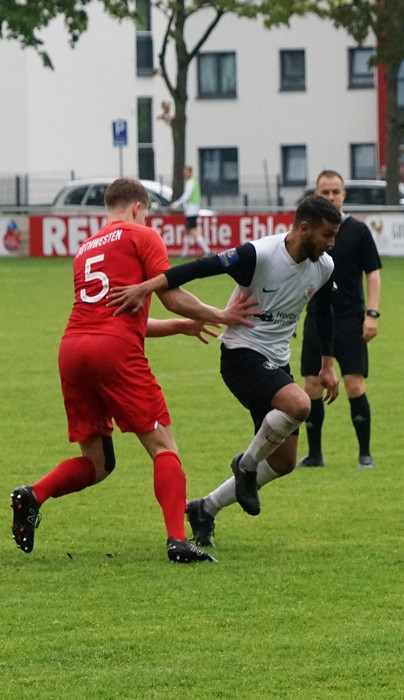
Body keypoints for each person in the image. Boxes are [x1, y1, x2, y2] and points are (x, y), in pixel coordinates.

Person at [10, 177, 256, 563]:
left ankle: (33, 494)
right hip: (113, 351)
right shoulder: (142, 235)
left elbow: (122, 317)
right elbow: (172, 297)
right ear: (138, 207)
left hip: (72, 349)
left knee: (97, 463)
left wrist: (181, 327)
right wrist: (220, 314)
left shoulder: (85, 249)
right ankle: (178, 541)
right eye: (148, 214)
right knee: (164, 447)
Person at [109, 195, 342, 548]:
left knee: (284, 463)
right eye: (327, 235)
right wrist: (147, 286)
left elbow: (323, 313)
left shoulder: (323, 266)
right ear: (305, 228)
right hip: (240, 354)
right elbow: (198, 268)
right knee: (299, 405)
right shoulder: (259, 255)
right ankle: (245, 466)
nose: (332, 243)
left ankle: (205, 508)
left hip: (276, 361)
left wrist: (327, 365)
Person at [297, 170, 383, 469]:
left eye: (336, 192)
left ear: (344, 195)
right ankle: (315, 455)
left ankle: (365, 454)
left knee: (353, 384)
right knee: (311, 385)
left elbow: (373, 274)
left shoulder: (358, 231)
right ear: (316, 196)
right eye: (325, 192)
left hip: (350, 318)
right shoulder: (308, 232)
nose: (331, 197)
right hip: (315, 317)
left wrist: (372, 314)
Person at [171, 165, 211, 258]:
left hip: (192, 210)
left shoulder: (190, 182)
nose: (184, 174)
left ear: (190, 172)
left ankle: (207, 251)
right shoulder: (193, 182)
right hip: (192, 210)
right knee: (187, 231)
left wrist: (175, 204)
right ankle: (184, 253)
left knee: (192, 231)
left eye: (186, 172)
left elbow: (186, 196)